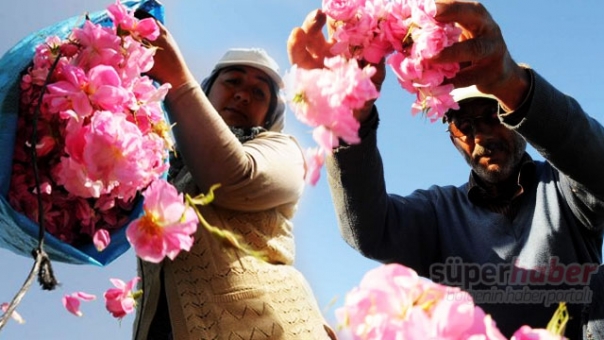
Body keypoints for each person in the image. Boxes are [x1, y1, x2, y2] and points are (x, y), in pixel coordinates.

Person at [287, 1, 604, 338]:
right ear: (452, 139)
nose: (480, 135)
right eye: (463, 125)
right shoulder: (439, 212)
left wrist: (513, 83)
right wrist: (348, 117)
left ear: (516, 118)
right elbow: (367, 230)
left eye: (492, 115)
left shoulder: (565, 189)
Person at [131, 20, 336, 340]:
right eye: (233, 81)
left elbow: (233, 179)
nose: (242, 95)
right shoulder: (166, 167)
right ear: (208, 91)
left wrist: (176, 80)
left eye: (258, 92)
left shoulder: (283, 150)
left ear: (269, 115)